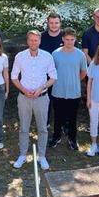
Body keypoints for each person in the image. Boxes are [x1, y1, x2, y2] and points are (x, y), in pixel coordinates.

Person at [11, 30, 57, 170]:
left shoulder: (47, 57)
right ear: (27, 41)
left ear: (40, 41)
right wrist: (24, 90)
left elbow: (53, 77)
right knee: (24, 128)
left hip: (42, 98)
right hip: (24, 98)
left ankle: (41, 156)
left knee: (42, 128)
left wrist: (41, 88)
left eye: (36, 40)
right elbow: (14, 77)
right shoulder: (20, 56)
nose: (33, 42)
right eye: (31, 40)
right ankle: (23, 155)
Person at [50, 28, 87, 151]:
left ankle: (72, 139)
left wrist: (74, 81)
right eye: (67, 39)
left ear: (75, 39)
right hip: (58, 91)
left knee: (72, 118)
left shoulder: (80, 54)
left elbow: (83, 72)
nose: (69, 42)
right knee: (58, 118)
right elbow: (51, 71)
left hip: (74, 92)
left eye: (72, 39)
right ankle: (56, 137)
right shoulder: (55, 53)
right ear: (63, 39)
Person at [40, 12, 63, 128]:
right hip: (45, 75)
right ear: (48, 23)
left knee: (61, 101)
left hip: (62, 74)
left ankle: (62, 124)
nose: (54, 25)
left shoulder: (65, 37)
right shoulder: (41, 37)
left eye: (56, 23)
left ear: (60, 23)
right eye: (51, 23)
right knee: (46, 100)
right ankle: (46, 121)